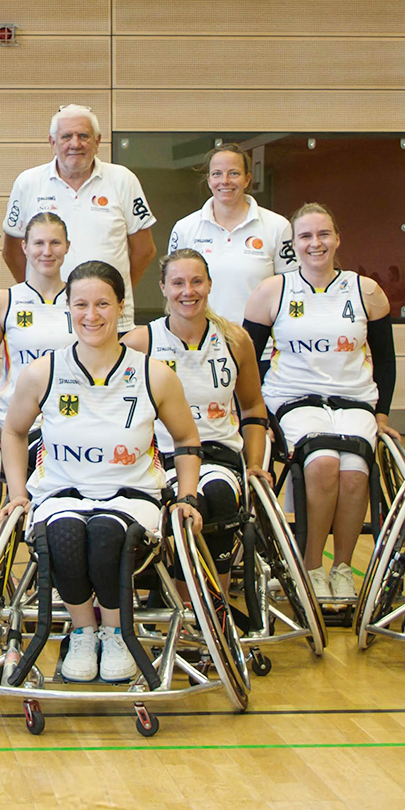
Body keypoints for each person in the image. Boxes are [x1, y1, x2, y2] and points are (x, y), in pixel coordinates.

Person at [0, 261, 203, 683]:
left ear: (121, 307)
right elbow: (14, 431)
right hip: (61, 494)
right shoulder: (43, 372)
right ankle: (83, 630)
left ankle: (116, 633)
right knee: (66, 537)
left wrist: (186, 496)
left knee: (109, 535)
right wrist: (18, 492)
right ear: (68, 309)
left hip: (132, 496)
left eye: (102, 304)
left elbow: (186, 440)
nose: (91, 315)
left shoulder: (154, 374)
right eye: (81, 305)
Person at [242, 203, 397, 601]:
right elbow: (245, 360)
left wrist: (381, 414)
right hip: (294, 399)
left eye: (323, 234)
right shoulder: (272, 291)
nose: (316, 243)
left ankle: (342, 568)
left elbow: (386, 359)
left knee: (355, 469)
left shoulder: (366, 291)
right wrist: (255, 416)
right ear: (293, 244)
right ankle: (311, 568)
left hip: (354, 401)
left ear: (337, 238)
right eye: (306, 236)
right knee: (324, 462)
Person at [123, 249, 269, 586]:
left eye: (196, 281)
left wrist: (256, 463)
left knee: (217, 493)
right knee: (187, 503)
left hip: (219, 453)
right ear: (163, 287)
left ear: (209, 285)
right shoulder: (141, 342)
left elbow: (252, 407)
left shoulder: (235, 340)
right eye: (178, 283)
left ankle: (215, 599)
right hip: (163, 457)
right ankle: (183, 598)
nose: (188, 291)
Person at [0, 105, 155, 331]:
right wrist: (40, 292)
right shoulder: (28, 182)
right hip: (48, 316)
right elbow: (13, 252)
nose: (75, 144)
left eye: (83, 136)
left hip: (109, 319)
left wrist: (114, 291)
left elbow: (144, 250)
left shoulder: (123, 180)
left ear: (98, 141)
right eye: (66, 137)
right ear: (52, 142)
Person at [0, 213, 76, 465]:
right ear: (25, 247)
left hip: (70, 423)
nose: (47, 251)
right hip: (16, 425)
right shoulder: (3, 302)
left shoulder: (80, 300)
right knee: (17, 502)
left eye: (55, 243)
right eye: (39, 243)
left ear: (67, 247)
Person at [165, 144, 295, 324]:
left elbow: (291, 290)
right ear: (209, 180)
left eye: (233, 173)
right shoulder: (184, 228)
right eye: (217, 173)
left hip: (259, 345)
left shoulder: (278, 226)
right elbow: (173, 291)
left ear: (247, 179)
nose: (224, 181)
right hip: (201, 343)